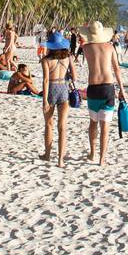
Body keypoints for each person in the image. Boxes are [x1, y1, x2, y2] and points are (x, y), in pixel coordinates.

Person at [81, 21, 126, 166]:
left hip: (93, 88)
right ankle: (102, 159)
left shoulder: (86, 48)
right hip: (107, 88)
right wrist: (122, 90)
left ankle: (93, 152)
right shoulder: (110, 47)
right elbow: (117, 70)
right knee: (105, 127)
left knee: (93, 123)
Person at [41, 31, 76, 167]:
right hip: (63, 89)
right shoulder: (68, 58)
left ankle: (47, 154)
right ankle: (60, 160)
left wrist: (44, 101)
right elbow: (75, 76)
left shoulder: (46, 60)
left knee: (48, 124)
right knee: (62, 127)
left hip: (51, 90)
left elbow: (45, 81)